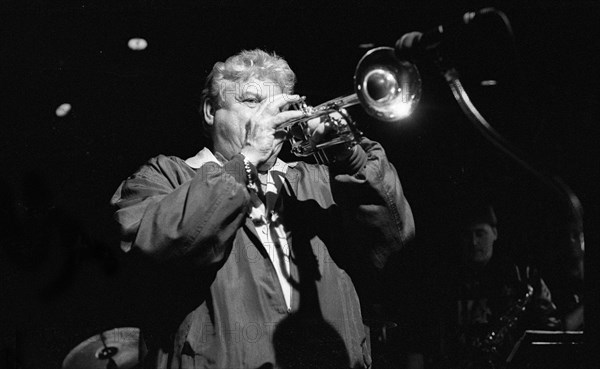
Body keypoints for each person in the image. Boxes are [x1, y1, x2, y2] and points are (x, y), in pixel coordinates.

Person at [110, 49, 415, 369]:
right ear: (210, 110)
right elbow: (154, 245)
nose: (270, 116)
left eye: (280, 104)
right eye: (252, 101)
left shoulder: (318, 182)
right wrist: (246, 161)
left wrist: (350, 153)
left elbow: (394, 239)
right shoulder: (164, 177)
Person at [434, 203, 559, 369]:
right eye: (467, 235)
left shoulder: (522, 276)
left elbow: (549, 327)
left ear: (495, 234)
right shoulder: (448, 281)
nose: (473, 242)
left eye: (480, 234)